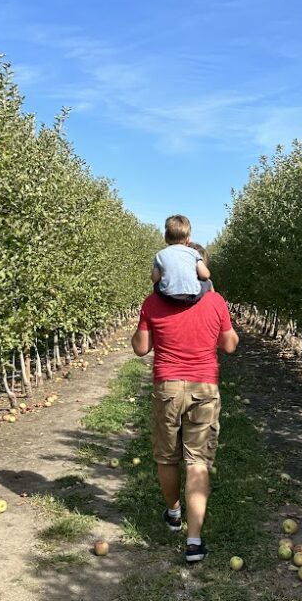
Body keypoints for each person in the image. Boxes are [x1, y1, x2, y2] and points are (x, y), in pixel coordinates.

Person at [132, 238, 238, 564]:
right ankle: (194, 542)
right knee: (198, 461)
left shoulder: (153, 303)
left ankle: (174, 513)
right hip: (203, 387)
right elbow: (229, 346)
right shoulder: (216, 301)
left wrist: (142, 326)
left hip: (167, 386)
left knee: (167, 457)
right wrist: (227, 329)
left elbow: (140, 348)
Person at [151, 214, 212, 303]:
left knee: (156, 286)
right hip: (192, 296)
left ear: (166, 238)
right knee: (208, 282)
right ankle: (211, 303)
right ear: (188, 239)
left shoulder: (160, 255)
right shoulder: (193, 253)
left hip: (167, 296)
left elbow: (155, 278)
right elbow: (205, 275)